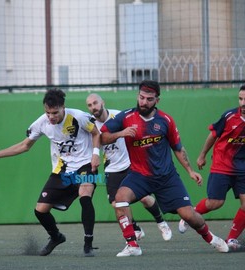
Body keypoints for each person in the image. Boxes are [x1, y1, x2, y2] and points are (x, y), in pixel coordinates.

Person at [100, 80, 229, 257]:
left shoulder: (166, 121)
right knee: (120, 199)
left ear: (157, 101)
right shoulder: (125, 117)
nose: (144, 102)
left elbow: (178, 148)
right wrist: (120, 134)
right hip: (139, 175)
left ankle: (212, 238)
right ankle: (132, 245)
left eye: (149, 99)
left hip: (167, 178)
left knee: (190, 216)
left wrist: (190, 171)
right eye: (141, 97)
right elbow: (103, 136)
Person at [0, 88, 100, 257]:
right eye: (47, 112)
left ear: (63, 107)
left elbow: (96, 133)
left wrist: (96, 155)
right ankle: (56, 237)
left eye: (55, 113)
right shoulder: (42, 123)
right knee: (40, 210)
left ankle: (88, 244)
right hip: (62, 170)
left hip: (86, 165)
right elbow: (24, 146)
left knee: (85, 195)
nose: (51, 117)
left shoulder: (78, 117)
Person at [86, 93, 172, 242]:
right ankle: (136, 229)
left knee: (145, 198)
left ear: (102, 102)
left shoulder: (118, 116)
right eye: (90, 105)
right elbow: (96, 143)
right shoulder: (91, 125)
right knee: (116, 203)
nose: (93, 107)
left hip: (130, 163)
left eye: (95, 103)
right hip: (112, 167)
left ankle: (161, 222)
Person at [178, 85, 245, 250]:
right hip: (222, 165)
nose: (243, 103)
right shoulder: (229, 117)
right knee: (216, 202)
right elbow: (213, 134)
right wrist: (202, 155)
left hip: (242, 168)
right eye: (240, 99)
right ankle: (190, 215)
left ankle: (231, 239)